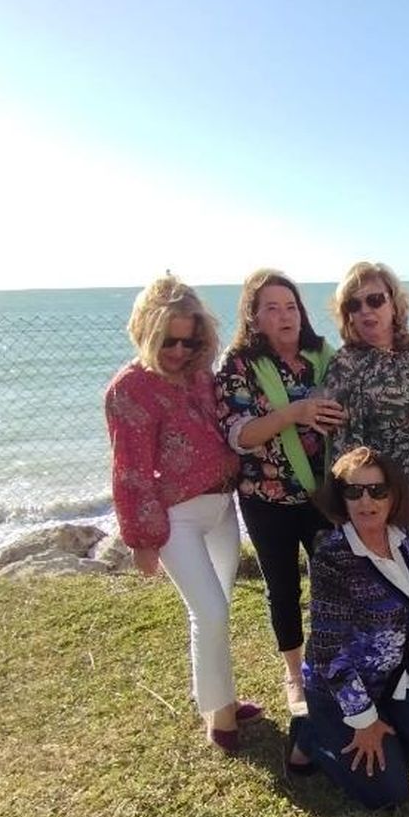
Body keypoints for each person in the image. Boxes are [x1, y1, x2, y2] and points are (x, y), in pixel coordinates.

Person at [105, 275, 249, 754]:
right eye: (170, 340)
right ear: (147, 330)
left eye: (191, 340)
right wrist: (142, 538)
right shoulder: (131, 389)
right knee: (210, 611)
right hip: (177, 519)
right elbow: (130, 469)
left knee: (216, 609)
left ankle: (218, 698)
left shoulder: (201, 373)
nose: (180, 350)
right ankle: (220, 713)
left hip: (221, 507)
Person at [285, 447, 409, 809]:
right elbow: (327, 653)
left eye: (377, 490)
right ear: (342, 497)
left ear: (393, 494)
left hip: (394, 678)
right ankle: (313, 734)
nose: (366, 500)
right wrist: (364, 720)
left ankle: (387, 727)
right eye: (354, 491)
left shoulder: (402, 539)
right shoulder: (332, 559)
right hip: (343, 690)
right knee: (389, 793)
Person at [214, 269, 342, 715]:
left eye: (290, 306)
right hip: (265, 497)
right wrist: (296, 412)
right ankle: (294, 674)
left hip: (323, 494)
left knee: (333, 580)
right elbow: (240, 435)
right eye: (271, 307)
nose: (284, 315)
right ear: (254, 316)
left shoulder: (323, 356)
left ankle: (332, 665)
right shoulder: (238, 365)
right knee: (282, 587)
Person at [321, 261, 409, 574]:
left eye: (375, 300)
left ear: (394, 303)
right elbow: (346, 451)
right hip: (386, 497)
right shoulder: (346, 364)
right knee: (397, 582)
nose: (366, 311)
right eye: (355, 304)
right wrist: (363, 505)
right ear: (347, 315)